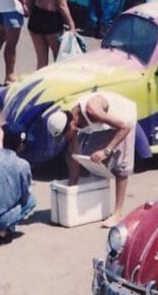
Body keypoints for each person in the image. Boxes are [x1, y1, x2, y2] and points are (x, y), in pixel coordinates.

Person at [47, 91, 137, 228]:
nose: (66, 138)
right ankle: (97, 204)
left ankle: (118, 213)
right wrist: (71, 188)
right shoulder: (72, 122)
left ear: (71, 124)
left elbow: (124, 127)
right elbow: (75, 158)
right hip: (106, 124)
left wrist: (106, 151)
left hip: (125, 120)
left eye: (65, 134)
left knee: (121, 166)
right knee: (89, 158)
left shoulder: (92, 110)